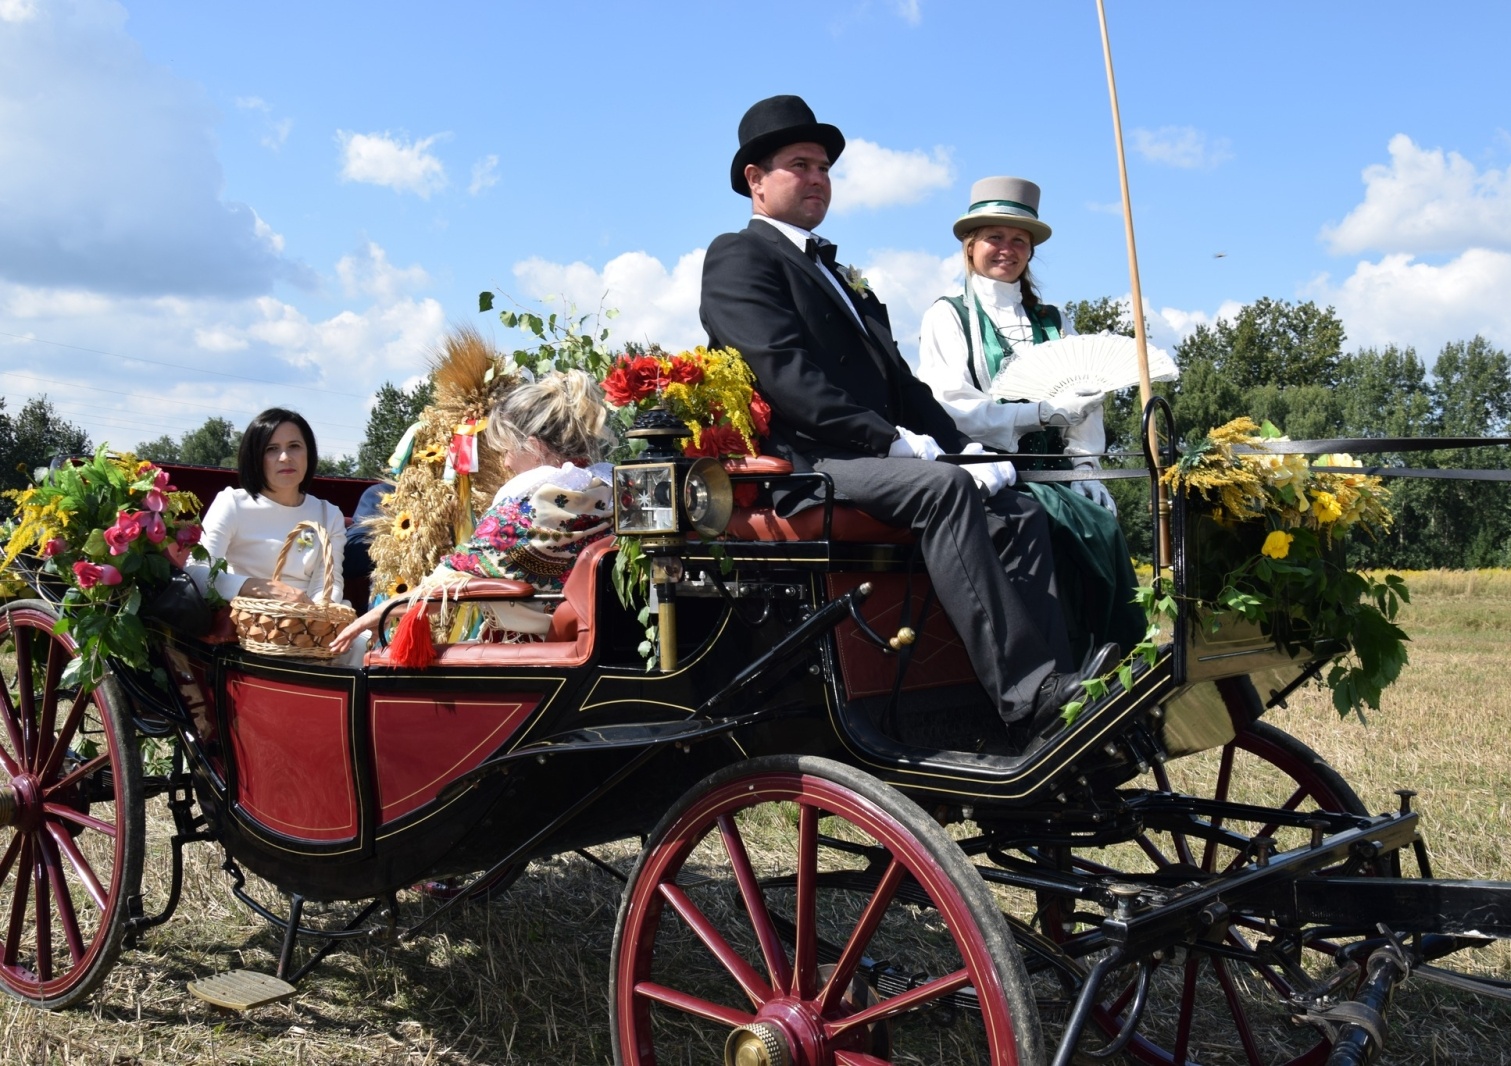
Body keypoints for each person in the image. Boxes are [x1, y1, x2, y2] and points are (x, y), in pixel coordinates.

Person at [698, 95, 1117, 744]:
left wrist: (967, 447)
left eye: (824, 168)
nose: (817, 179)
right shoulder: (738, 257)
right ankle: (1026, 692)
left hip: (869, 457)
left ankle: (1056, 702)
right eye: (800, 165)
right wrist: (895, 442)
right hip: (810, 462)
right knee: (943, 490)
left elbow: (906, 385)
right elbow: (787, 378)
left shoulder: (838, 274)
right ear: (756, 179)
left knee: (1017, 508)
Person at [916, 177, 1146, 659]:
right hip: (990, 472)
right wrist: (1038, 413)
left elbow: (1086, 399)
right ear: (970, 245)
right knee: (1076, 528)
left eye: (1019, 240)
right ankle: (1068, 660)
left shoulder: (1053, 321)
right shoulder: (947, 316)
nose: (1007, 249)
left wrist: (1086, 468)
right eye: (994, 237)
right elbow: (952, 407)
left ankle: (1111, 656)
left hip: (1058, 473)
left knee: (1101, 524)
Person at [328, 370, 614, 653]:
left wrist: (368, 619)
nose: (505, 464)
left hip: (536, 649)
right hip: (603, 640)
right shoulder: (610, 494)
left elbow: (440, 587)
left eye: (505, 451)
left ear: (533, 446)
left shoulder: (523, 513)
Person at [188, 408, 346, 605]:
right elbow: (198, 573)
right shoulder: (232, 504)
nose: (285, 457)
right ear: (255, 457)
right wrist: (259, 587)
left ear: (309, 453)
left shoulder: (329, 514)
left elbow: (330, 583)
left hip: (312, 616)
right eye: (271, 449)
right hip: (248, 617)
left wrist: (311, 615)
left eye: (294, 446)